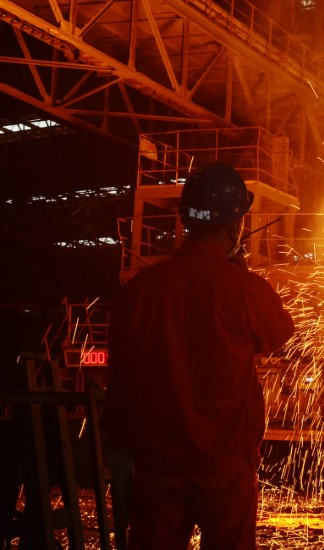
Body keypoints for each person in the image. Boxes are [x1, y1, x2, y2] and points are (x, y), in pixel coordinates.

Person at [101, 161, 295, 549]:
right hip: (225, 468)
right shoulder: (246, 290)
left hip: (156, 465)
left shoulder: (138, 292)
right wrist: (238, 272)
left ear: (185, 219)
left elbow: (118, 377)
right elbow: (280, 333)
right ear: (235, 225)